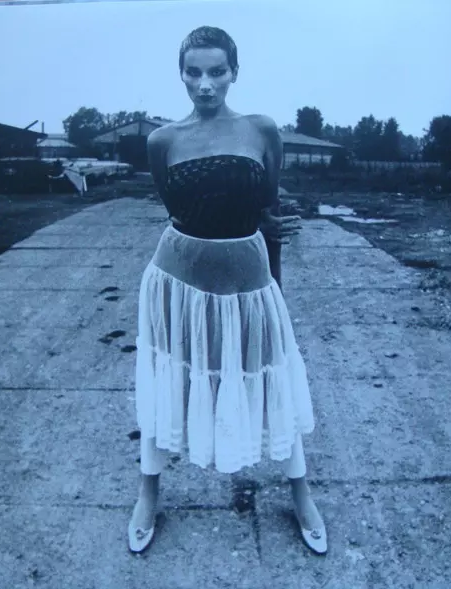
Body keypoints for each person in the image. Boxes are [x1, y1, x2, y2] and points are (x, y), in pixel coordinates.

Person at [128, 25, 327, 555]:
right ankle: (147, 494)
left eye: (217, 71)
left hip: (248, 277)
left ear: (234, 72)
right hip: (177, 280)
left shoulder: (262, 131)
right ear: (181, 75)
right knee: (170, 380)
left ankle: (302, 496)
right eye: (193, 72)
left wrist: (276, 289)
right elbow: (180, 211)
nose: (205, 84)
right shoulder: (161, 141)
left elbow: (269, 214)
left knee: (271, 377)